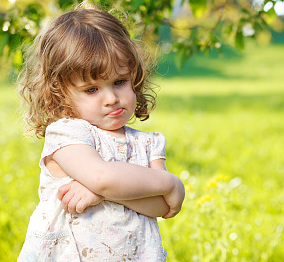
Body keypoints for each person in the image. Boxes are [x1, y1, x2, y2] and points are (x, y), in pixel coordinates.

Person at [17, 7, 185, 262]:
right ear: (61, 93)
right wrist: (171, 183)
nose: (111, 99)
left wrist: (99, 193)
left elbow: (162, 206)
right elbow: (102, 177)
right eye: (92, 89)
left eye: (119, 82)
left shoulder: (147, 143)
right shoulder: (67, 135)